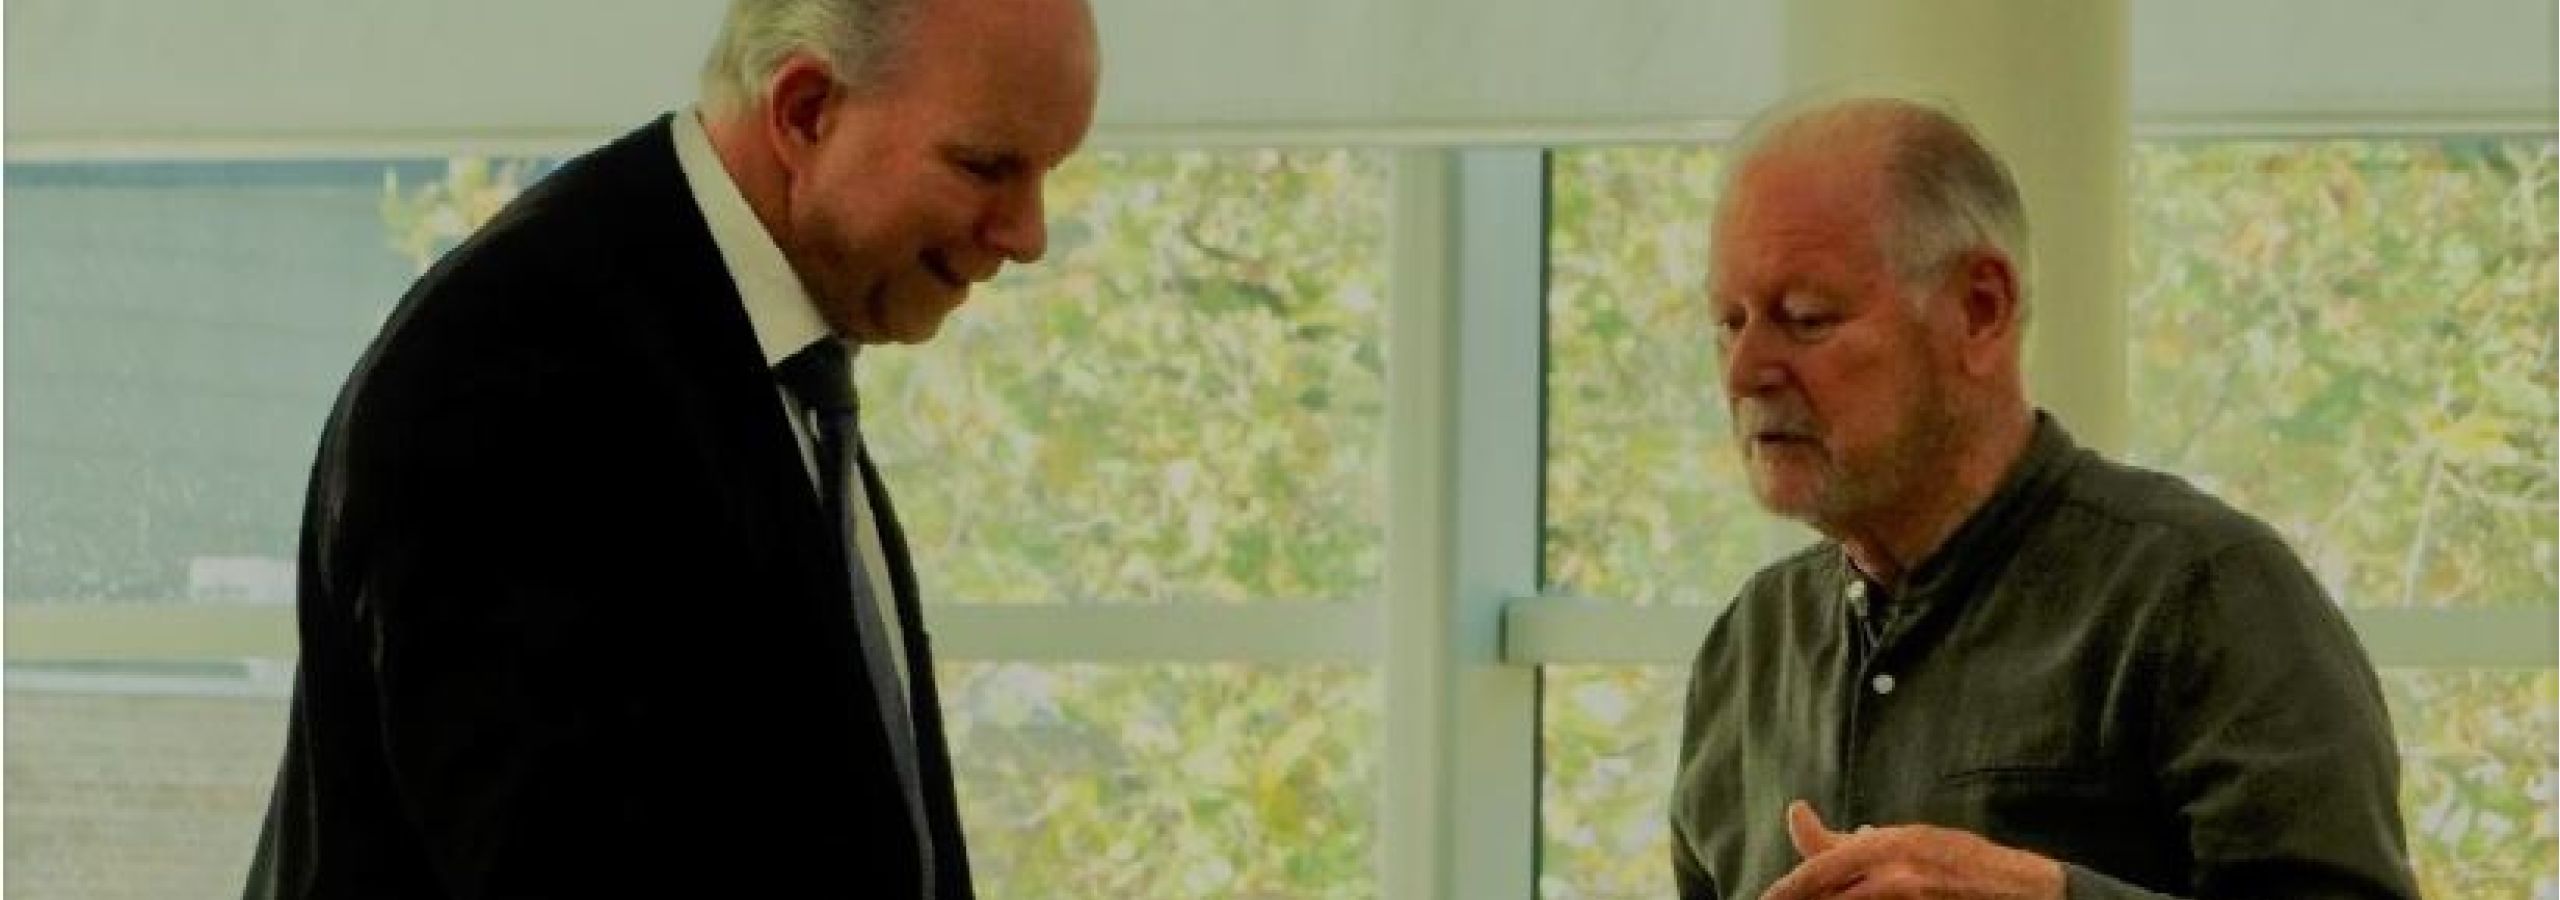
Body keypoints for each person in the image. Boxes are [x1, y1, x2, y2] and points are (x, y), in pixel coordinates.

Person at [245, 0, 1097, 895]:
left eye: (1046, 173)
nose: (1028, 236)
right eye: (986, 166)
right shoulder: (522, 366)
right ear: (805, 111)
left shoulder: (750, 349)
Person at [1669, 95, 2418, 899]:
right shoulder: (1747, 647)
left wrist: (2049, 895)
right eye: (1728, 322)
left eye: (1806, 318)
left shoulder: (2207, 595)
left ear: (1980, 309)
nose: (1745, 372)